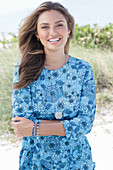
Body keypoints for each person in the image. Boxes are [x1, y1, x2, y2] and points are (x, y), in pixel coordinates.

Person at [11, 1, 96, 170]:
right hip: (36, 162)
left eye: (59, 25)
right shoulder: (24, 70)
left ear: (69, 29)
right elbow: (21, 125)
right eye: (44, 27)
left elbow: (85, 124)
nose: (53, 32)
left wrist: (35, 127)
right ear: (36, 33)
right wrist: (68, 126)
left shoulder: (83, 69)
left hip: (77, 161)